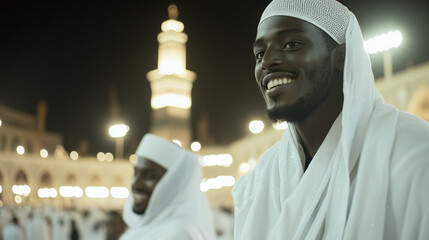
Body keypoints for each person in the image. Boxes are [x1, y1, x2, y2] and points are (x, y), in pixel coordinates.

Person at [232, 0, 429, 239]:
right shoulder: (260, 179)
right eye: (259, 53)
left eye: (291, 44)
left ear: (342, 57)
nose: (267, 61)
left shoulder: (413, 154)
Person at [120, 134, 216, 240]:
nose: (136, 184)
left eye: (150, 176)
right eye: (136, 173)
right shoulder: (150, 228)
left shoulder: (179, 234)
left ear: (174, 185)